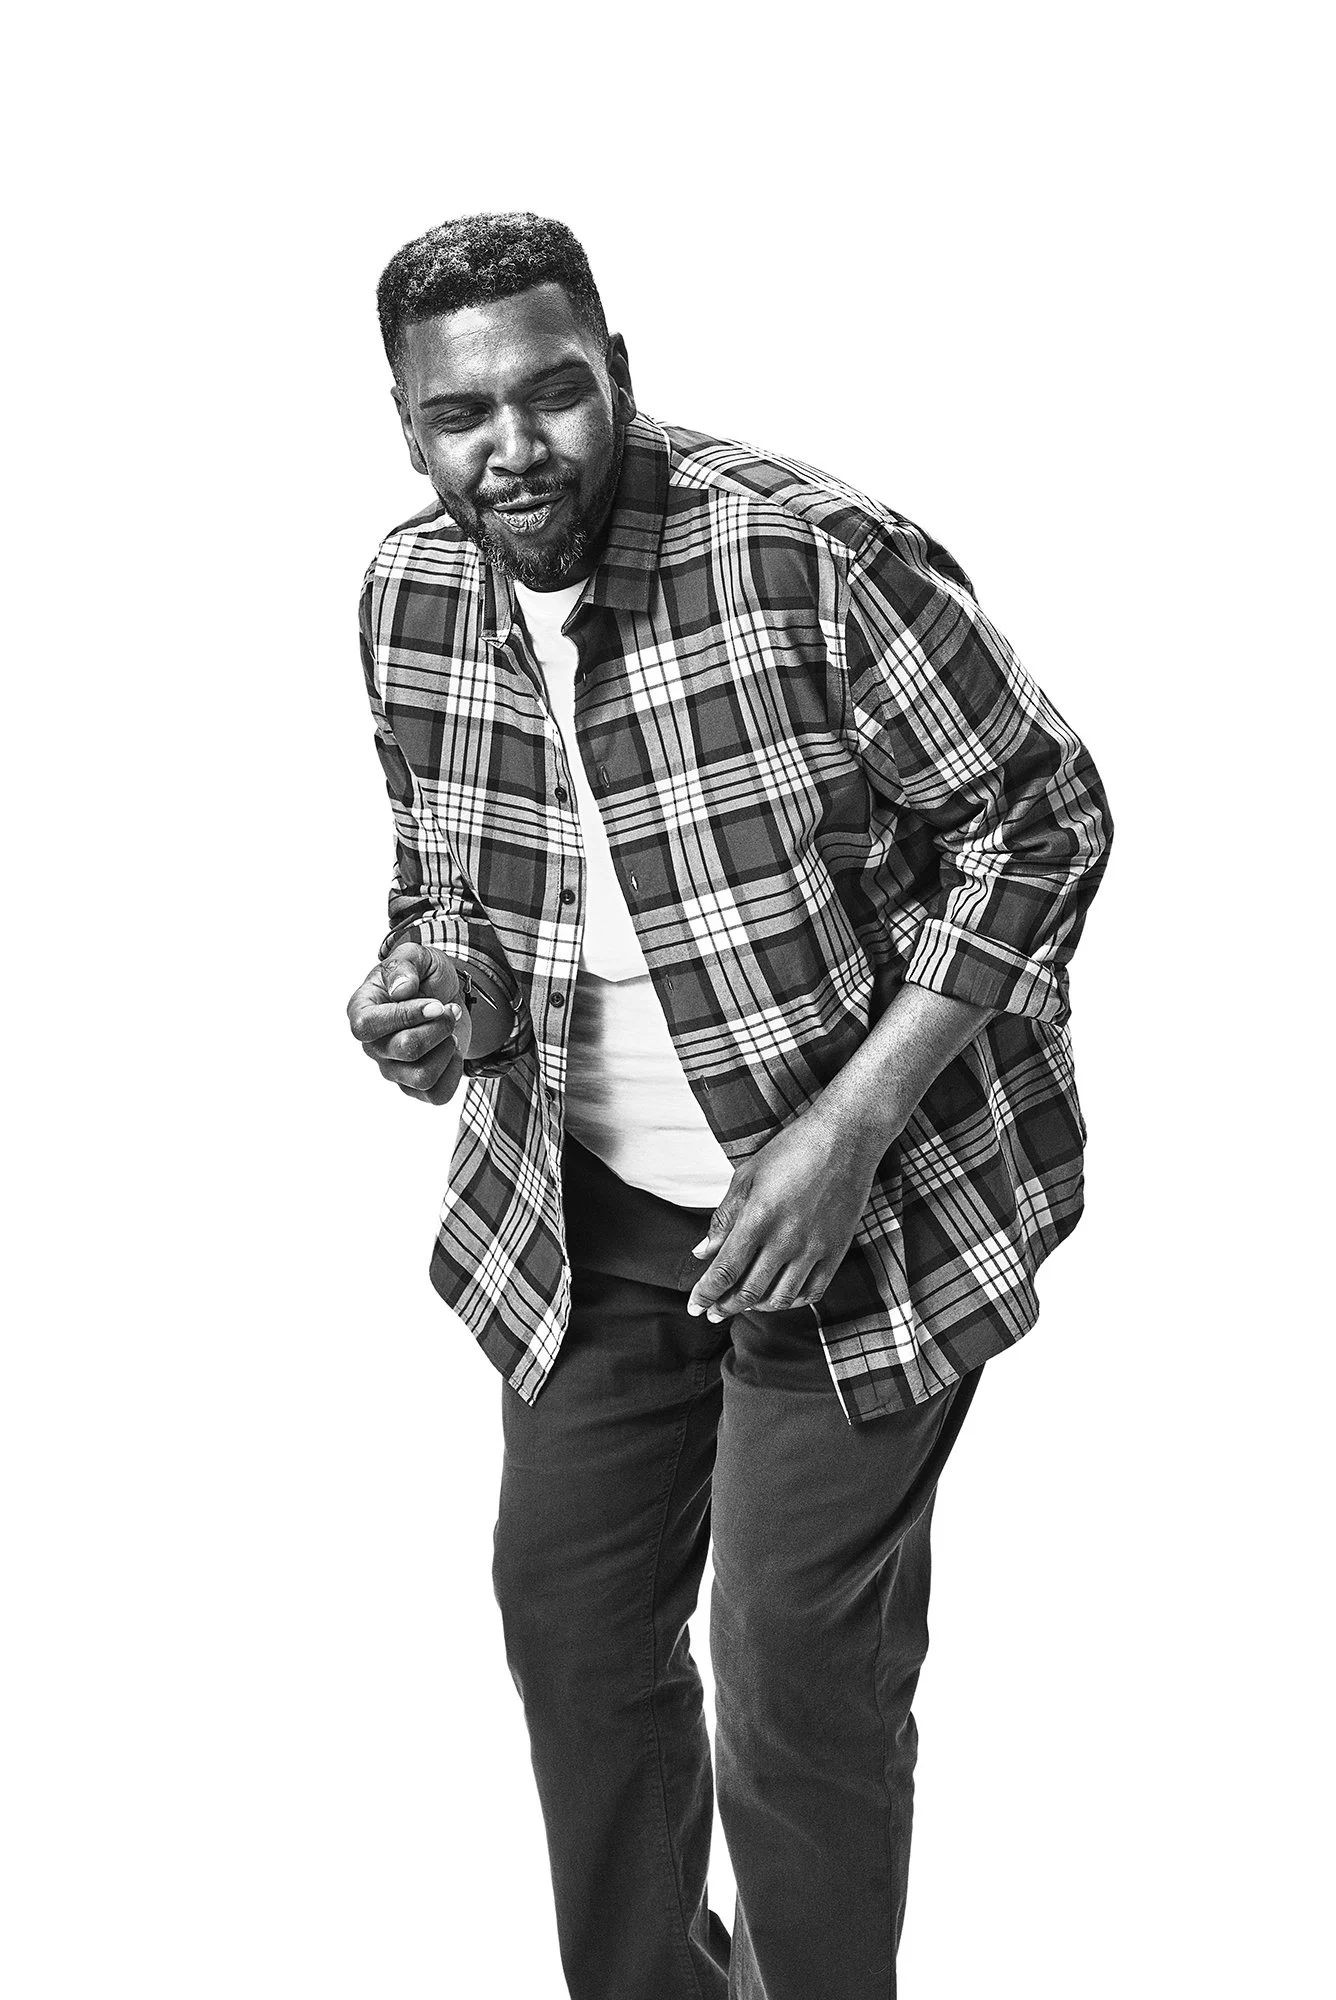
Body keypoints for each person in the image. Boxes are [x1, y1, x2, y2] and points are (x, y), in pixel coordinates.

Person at [346, 211, 1112, 2000]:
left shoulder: (805, 556)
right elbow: (450, 881)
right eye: (461, 414)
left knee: (794, 1681)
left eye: (554, 392)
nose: (515, 447)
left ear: (618, 371)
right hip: (590, 1211)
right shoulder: (406, 598)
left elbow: (1046, 816)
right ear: (406, 426)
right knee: (571, 1630)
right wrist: (434, 994)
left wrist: (847, 1131)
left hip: (869, 1208)